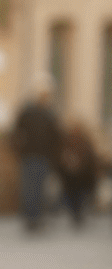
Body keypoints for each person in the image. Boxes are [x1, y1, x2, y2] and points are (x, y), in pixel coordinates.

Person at [11, 82, 61, 231]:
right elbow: (16, 133)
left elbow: (56, 137)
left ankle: (34, 218)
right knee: (32, 188)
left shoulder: (45, 113)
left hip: (39, 156)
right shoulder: (36, 113)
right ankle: (32, 218)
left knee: (35, 188)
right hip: (34, 156)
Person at [57, 119, 98, 227]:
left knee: (79, 196)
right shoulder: (66, 141)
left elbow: (90, 158)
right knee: (71, 195)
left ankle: (78, 214)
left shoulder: (84, 141)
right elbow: (61, 157)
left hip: (82, 175)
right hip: (69, 175)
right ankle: (75, 214)